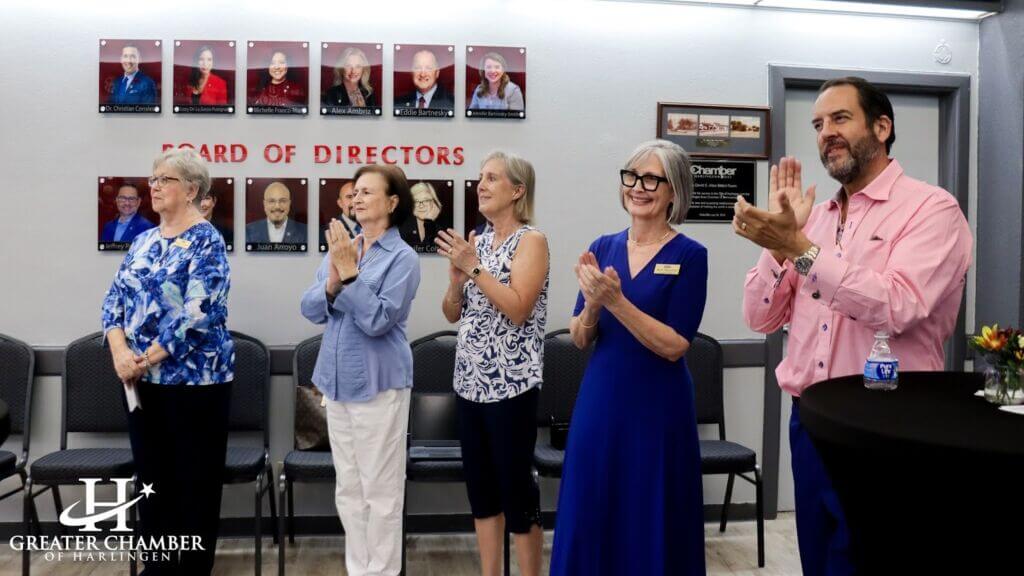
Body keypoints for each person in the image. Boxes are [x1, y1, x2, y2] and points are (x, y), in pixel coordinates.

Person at [735, 77, 972, 576]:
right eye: (818, 124)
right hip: (812, 422)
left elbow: (899, 304)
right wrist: (780, 244)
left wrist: (801, 250)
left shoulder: (932, 210)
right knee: (820, 561)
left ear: (882, 127)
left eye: (840, 119)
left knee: (876, 561)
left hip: (887, 425)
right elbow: (760, 317)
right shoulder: (811, 219)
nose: (826, 134)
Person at [550, 140, 708, 576]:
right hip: (602, 402)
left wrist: (616, 301)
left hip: (659, 407)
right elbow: (580, 337)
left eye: (652, 179)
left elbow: (676, 344)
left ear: (674, 190)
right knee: (592, 502)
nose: (639, 187)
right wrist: (595, 306)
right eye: (632, 176)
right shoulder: (602, 246)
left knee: (651, 510)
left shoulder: (691, 256)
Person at [101, 148, 233, 575]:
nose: (154, 187)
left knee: (193, 487)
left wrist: (147, 357)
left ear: (192, 189)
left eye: (165, 179)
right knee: (153, 485)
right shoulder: (142, 241)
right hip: (140, 384)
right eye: (153, 178)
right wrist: (121, 353)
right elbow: (113, 303)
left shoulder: (207, 239)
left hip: (195, 385)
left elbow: (199, 311)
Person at [300, 164, 421, 576]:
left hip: (379, 385)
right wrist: (333, 282)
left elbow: (377, 321)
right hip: (336, 383)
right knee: (349, 489)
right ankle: (359, 570)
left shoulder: (403, 257)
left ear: (391, 203)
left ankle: (382, 573)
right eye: (355, 192)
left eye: (368, 192)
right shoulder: (343, 246)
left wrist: (349, 277)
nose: (357, 198)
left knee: (381, 492)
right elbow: (310, 308)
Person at [435, 151, 548, 576]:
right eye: (480, 178)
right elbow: (452, 314)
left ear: (517, 191)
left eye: (492, 178)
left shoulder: (531, 240)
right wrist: (454, 284)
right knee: (481, 492)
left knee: (517, 492)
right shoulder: (476, 242)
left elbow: (518, 308)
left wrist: (474, 268)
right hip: (469, 384)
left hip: (511, 386)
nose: (480, 185)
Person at [398, 181, 441, 250]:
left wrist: (429, 222)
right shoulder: (401, 229)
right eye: (416, 201)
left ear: (433, 202)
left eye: (426, 200)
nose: (421, 205)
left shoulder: (441, 231)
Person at [320, 181, 360, 246]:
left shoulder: (375, 227)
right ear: (340, 203)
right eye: (349, 197)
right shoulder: (328, 231)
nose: (355, 201)